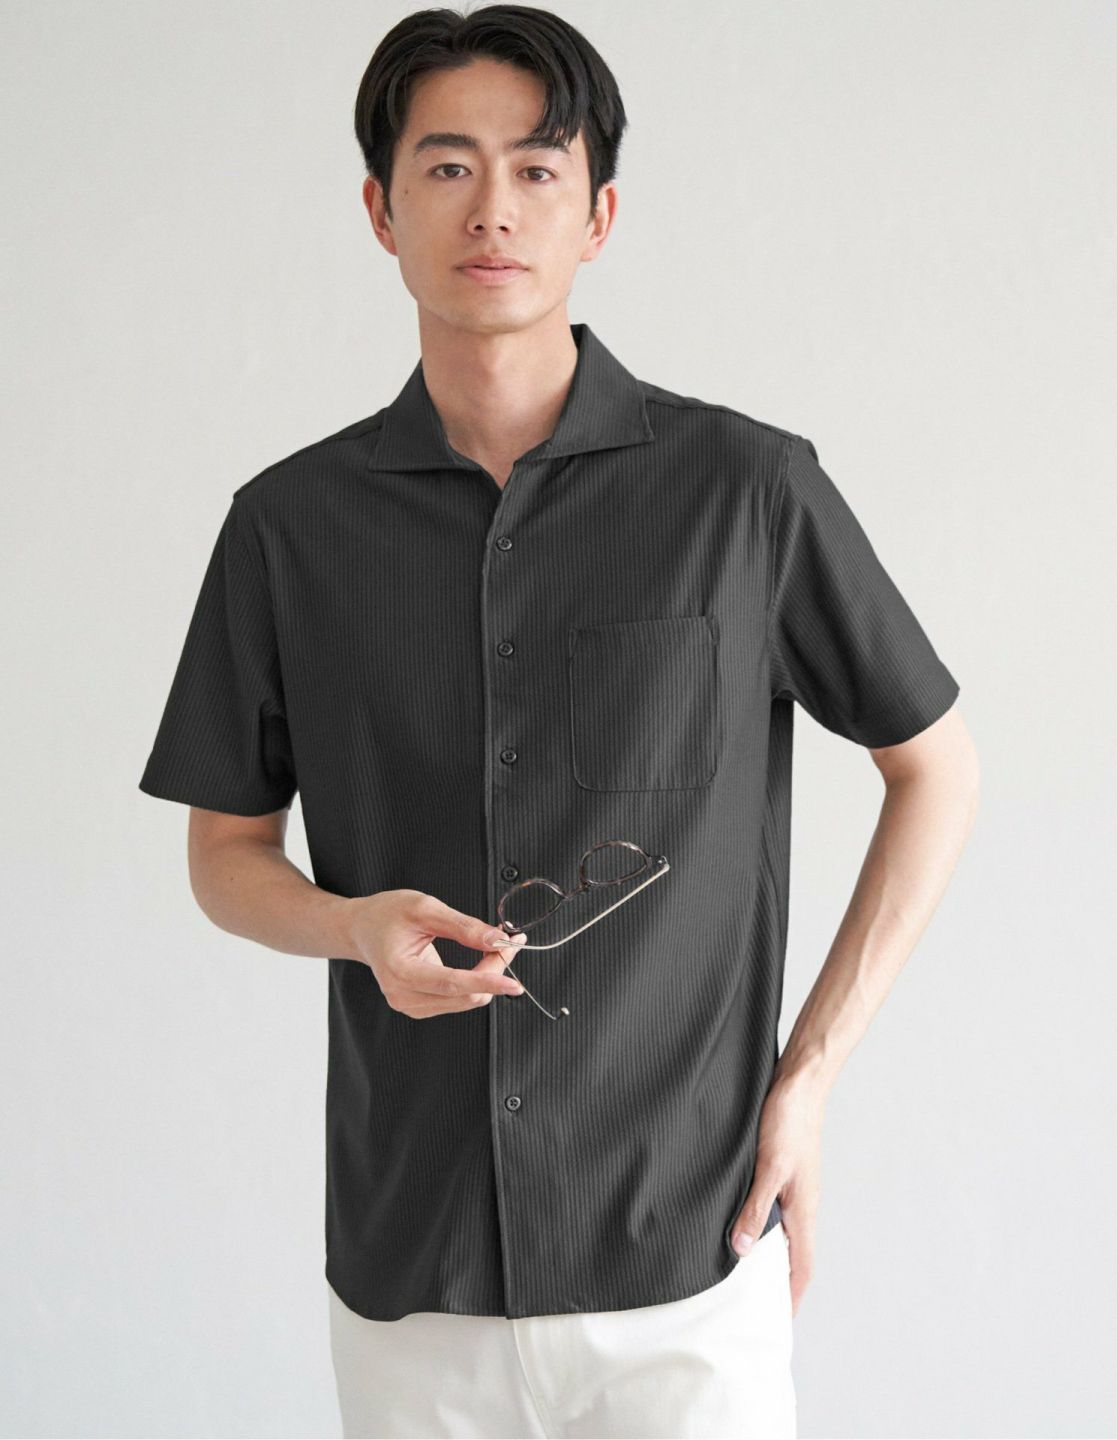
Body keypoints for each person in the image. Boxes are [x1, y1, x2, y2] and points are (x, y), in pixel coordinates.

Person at [138, 6, 981, 1437]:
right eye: (447, 166)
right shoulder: (288, 529)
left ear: (598, 216)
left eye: (537, 169)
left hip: (686, 1260)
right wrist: (352, 926)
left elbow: (936, 769)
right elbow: (226, 855)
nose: (494, 209)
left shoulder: (747, 494)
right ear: (380, 211)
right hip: (415, 1278)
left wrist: (808, 1080)